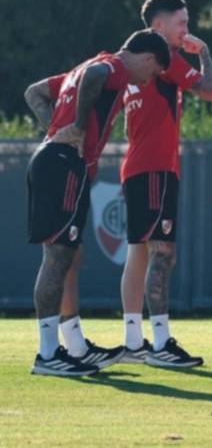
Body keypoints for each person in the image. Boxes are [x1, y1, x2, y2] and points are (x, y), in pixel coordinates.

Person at [27, 30, 168, 376]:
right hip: (63, 163)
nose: (148, 80)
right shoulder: (113, 67)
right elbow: (97, 77)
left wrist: (56, 129)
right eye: (153, 72)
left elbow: (34, 92)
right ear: (148, 58)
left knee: (71, 256)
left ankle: (74, 346)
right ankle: (48, 354)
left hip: (55, 158)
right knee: (57, 258)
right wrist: (74, 127)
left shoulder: (88, 65)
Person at [113, 0, 212, 366]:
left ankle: (132, 342)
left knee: (138, 253)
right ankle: (160, 343)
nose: (186, 31)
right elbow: (210, 91)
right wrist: (203, 50)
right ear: (158, 26)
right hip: (156, 168)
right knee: (163, 253)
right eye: (182, 23)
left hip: (137, 166)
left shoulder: (131, 59)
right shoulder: (165, 59)